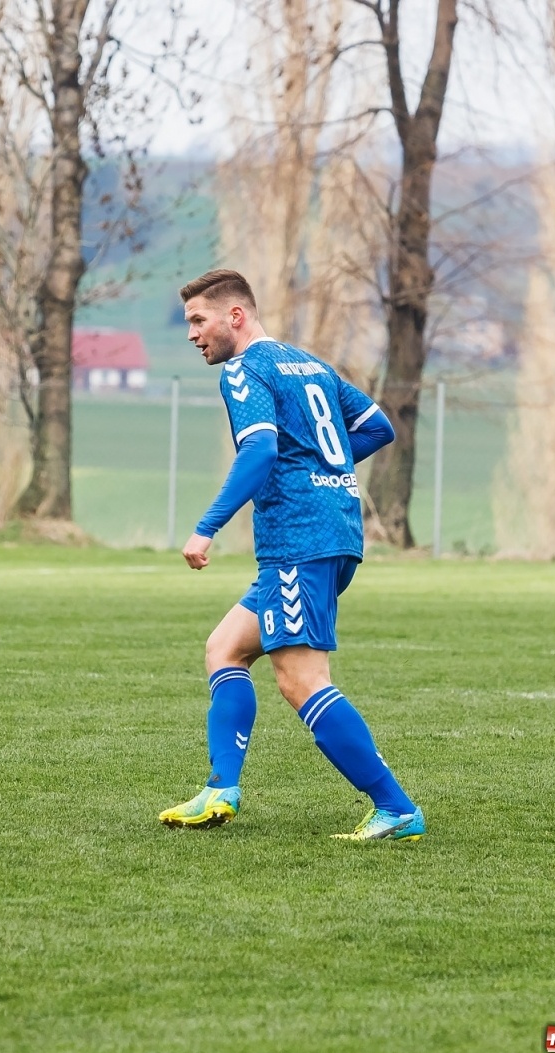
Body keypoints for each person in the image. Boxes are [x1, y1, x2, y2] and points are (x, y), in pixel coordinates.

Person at [157, 269, 424, 841]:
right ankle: (220, 789)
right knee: (225, 647)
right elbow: (376, 426)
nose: (192, 334)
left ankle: (396, 807)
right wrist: (324, 471)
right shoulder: (307, 364)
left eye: (198, 320)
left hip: (300, 539)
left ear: (235, 315)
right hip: (331, 531)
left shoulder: (244, 369)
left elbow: (259, 449)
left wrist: (205, 529)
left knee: (300, 679)